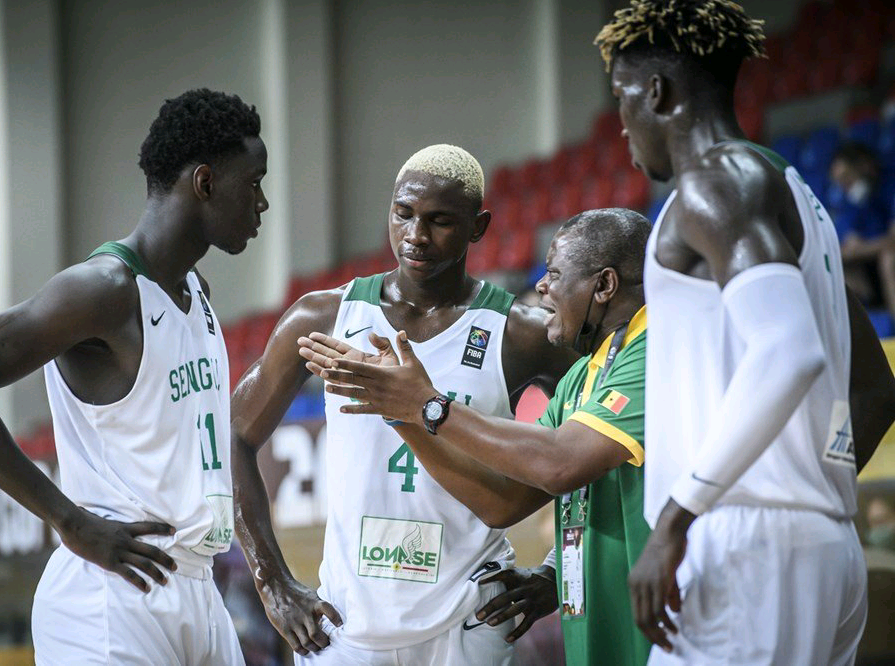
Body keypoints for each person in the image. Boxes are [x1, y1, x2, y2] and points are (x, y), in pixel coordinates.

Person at [0, 88, 267, 664]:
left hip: (199, 590)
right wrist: (67, 519)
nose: (263, 203)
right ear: (204, 183)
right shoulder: (103, 289)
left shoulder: (197, 292)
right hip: (112, 594)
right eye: (253, 183)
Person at [595, 2, 895, 663]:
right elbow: (877, 386)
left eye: (621, 100)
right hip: (810, 543)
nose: (620, 126)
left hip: (745, 544)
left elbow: (789, 353)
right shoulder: (798, 198)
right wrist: (815, 490)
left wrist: (677, 516)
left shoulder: (716, 184)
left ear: (657, 92)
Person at [231, 144, 574, 664]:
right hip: (343, 629)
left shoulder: (522, 334)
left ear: (478, 228)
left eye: (438, 221)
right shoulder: (321, 317)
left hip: (469, 622)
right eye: (404, 214)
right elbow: (230, 437)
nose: (415, 235)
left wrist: (557, 571)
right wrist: (273, 581)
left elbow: (590, 453)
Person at [300, 208, 654, 666]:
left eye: (554, 274)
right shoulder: (582, 378)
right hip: (605, 625)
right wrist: (404, 414)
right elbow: (501, 502)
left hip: (661, 622)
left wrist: (429, 406)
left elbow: (560, 463)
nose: (542, 286)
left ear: (604, 286)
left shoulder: (656, 349)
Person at [828, 142, 895, 321]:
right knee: (840, 271)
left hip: (887, 264)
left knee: (889, 259)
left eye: (847, 178)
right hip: (870, 273)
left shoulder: (890, 186)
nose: (845, 187)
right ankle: (864, 335)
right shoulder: (851, 201)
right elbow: (844, 246)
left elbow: (893, 241)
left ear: (865, 166)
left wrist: (861, 249)